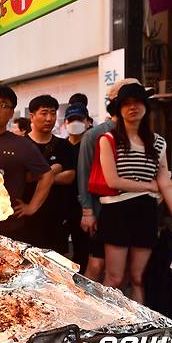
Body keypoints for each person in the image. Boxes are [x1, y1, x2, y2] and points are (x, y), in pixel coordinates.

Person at [98, 83, 172, 303]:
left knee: (139, 277)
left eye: (137, 102)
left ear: (145, 107)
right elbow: (113, 181)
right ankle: (103, 327)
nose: (132, 107)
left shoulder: (158, 142)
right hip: (117, 211)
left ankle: (139, 328)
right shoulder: (109, 140)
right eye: (126, 104)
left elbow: (166, 184)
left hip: (147, 213)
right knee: (114, 278)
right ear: (119, 109)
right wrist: (149, 186)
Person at [77, 78, 139, 281]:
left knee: (125, 270)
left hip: (133, 211)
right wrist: (88, 211)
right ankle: (85, 308)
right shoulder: (95, 135)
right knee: (97, 265)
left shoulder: (141, 135)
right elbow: (84, 174)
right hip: (102, 210)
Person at [0, 85, 54, 242]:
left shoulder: (21, 145)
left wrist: (32, 207)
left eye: (3, 106)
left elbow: (47, 175)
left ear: (11, 113)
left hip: (9, 227)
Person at [23, 95, 76, 253]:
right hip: (28, 219)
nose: (49, 118)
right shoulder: (22, 145)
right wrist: (53, 170)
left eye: (53, 113)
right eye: (44, 113)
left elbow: (69, 177)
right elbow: (24, 177)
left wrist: (39, 176)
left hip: (57, 217)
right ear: (32, 116)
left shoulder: (64, 145)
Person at [64, 103, 91, 271]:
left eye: (79, 119)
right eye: (71, 119)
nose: (75, 123)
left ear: (87, 122)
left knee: (83, 249)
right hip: (63, 206)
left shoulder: (91, 147)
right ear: (65, 123)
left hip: (83, 207)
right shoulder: (61, 146)